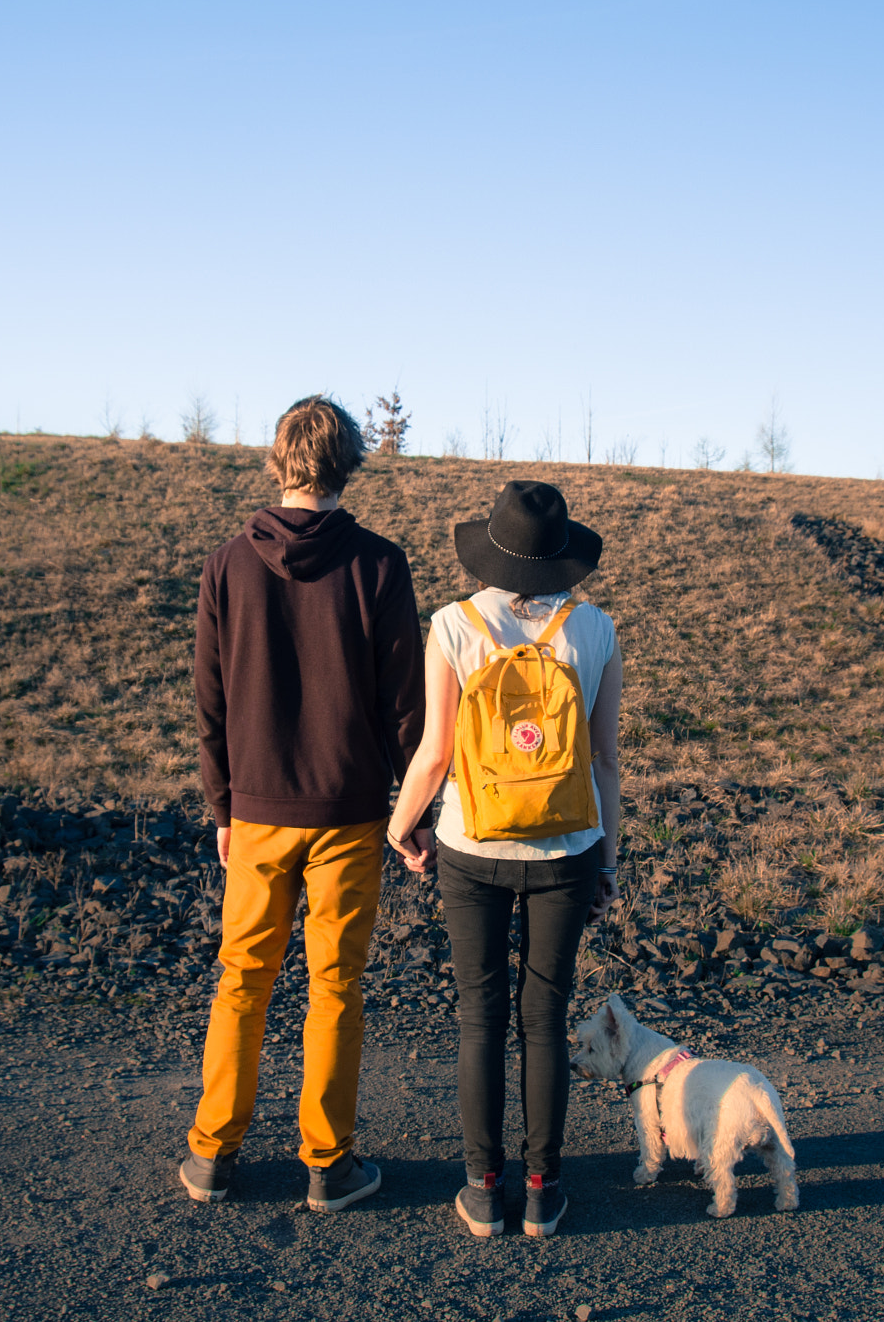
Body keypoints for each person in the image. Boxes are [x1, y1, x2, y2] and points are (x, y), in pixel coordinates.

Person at [179, 395, 426, 1212]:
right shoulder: (380, 565)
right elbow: (403, 704)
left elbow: (208, 700)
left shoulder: (226, 564)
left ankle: (213, 1154)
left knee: (241, 979)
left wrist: (222, 807)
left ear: (278, 462)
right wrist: (412, 809)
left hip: (254, 812)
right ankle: (329, 1163)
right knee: (335, 986)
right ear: (349, 464)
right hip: (350, 811)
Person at [385, 479, 623, 1238]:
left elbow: (433, 754)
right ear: (562, 559)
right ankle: (543, 1189)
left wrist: (403, 823)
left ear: (490, 550)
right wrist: (608, 860)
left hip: (471, 846)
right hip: (568, 850)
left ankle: (484, 1188)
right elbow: (607, 761)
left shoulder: (453, 625)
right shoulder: (597, 631)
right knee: (545, 1016)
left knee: (480, 1017)